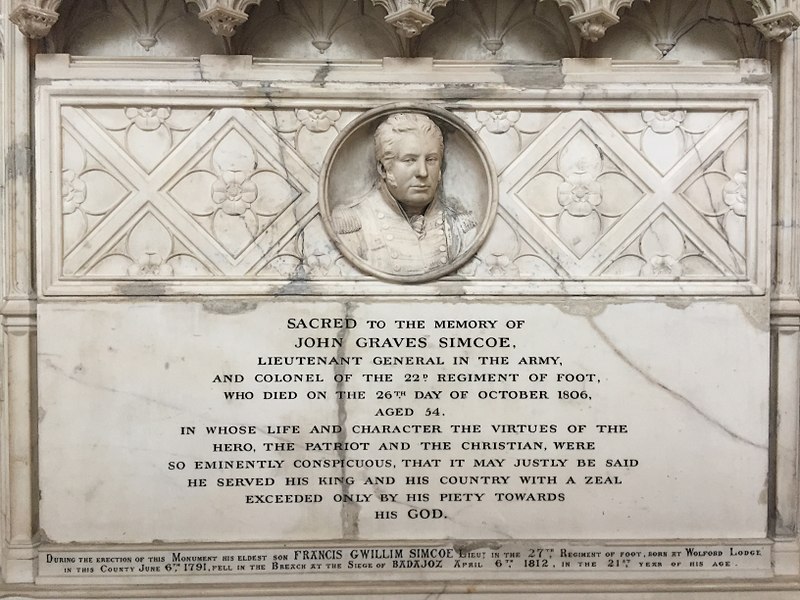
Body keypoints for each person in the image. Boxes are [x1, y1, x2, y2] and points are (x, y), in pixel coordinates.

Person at [331, 112, 476, 276]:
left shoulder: (460, 225)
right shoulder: (355, 227)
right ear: (383, 169)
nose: (422, 172)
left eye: (431, 160)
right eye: (409, 160)